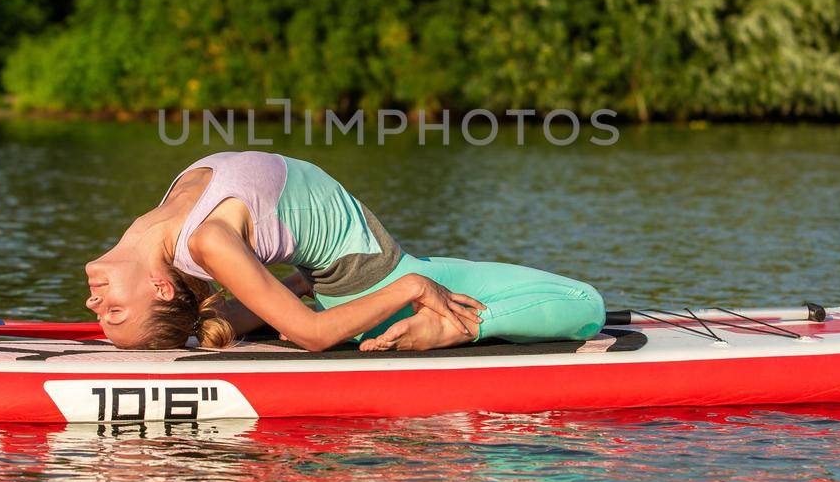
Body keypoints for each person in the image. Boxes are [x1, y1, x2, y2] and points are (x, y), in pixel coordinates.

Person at [84, 151, 605, 352]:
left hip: (352, 280)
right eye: (115, 313)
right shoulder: (205, 240)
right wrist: (414, 289)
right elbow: (313, 335)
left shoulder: (177, 210)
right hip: (383, 283)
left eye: (106, 314)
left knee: (582, 305)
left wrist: (294, 287)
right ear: (159, 287)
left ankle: (425, 306)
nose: (93, 305)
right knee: (587, 306)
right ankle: (460, 325)